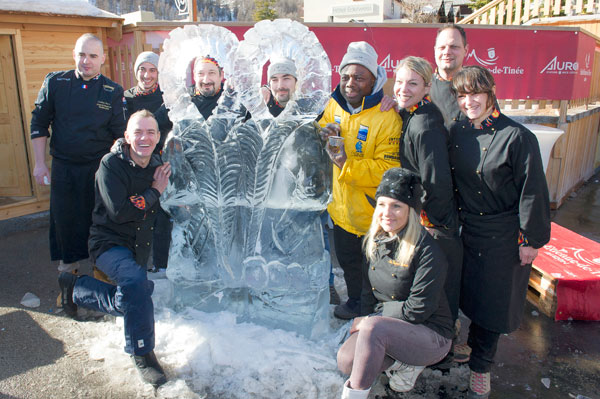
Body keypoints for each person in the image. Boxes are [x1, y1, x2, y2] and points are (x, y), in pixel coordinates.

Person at [449, 66, 551, 398]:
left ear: (491, 93)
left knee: (492, 303)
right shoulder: (457, 132)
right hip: (466, 229)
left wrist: (529, 241)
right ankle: (467, 343)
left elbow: (532, 191)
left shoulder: (518, 137)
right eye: (462, 95)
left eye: (475, 93)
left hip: (503, 233)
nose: (468, 101)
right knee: (464, 294)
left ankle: (481, 366)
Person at [58, 110, 171, 388]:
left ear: (158, 137)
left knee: (137, 295)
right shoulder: (111, 164)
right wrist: (155, 191)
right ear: (127, 136)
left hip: (139, 249)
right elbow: (120, 211)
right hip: (108, 244)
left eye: (150, 132)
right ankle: (142, 352)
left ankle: (75, 288)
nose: (144, 137)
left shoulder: (158, 165)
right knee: (136, 285)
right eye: (138, 132)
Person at [337, 168, 453, 399]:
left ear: (411, 212)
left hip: (430, 333)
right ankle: (403, 364)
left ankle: (354, 395)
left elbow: (417, 310)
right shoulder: (374, 242)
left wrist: (370, 320)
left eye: (396, 206)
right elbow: (367, 293)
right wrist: (367, 316)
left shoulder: (428, 251)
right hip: (387, 327)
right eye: (382, 204)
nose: (387, 213)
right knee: (346, 362)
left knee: (372, 328)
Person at [30, 33, 126, 288]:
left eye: (93, 56)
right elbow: (39, 124)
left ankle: (101, 279)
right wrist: (39, 164)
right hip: (63, 169)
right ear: (74, 55)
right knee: (65, 224)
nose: (86, 61)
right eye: (82, 54)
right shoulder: (55, 83)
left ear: (102, 59)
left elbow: (120, 135)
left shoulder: (113, 91)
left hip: (98, 171)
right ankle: (68, 282)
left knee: (100, 223)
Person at [319, 41, 402, 320]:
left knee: (375, 270)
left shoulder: (387, 115)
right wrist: (323, 132)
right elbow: (321, 128)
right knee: (349, 263)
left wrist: (345, 163)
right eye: (345, 77)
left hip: (372, 215)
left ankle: (376, 315)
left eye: (358, 77)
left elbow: (387, 169)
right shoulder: (334, 104)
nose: (350, 83)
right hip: (342, 211)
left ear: (373, 80)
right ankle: (356, 302)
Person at [393, 56, 463, 366]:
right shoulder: (413, 114)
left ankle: (437, 353)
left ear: (426, 86)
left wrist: (431, 225)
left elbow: (436, 179)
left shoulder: (426, 123)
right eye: (399, 82)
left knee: (438, 293)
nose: (403, 88)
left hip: (434, 223)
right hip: (424, 217)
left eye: (412, 83)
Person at [125, 51, 171, 274]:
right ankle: (136, 265)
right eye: (142, 69)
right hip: (133, 165)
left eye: (152, 70)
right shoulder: (126, 98)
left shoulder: (167, 97)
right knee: (138, 214)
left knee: (162, 216)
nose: (147, 75)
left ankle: (162, 264)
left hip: (160, 164)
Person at [430, 24, 469, 130]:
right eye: (442, 47)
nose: (447, 52)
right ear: (435, 50)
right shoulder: (422, 86)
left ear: (466, 50)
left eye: (454, 47)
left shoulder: (478, 86)